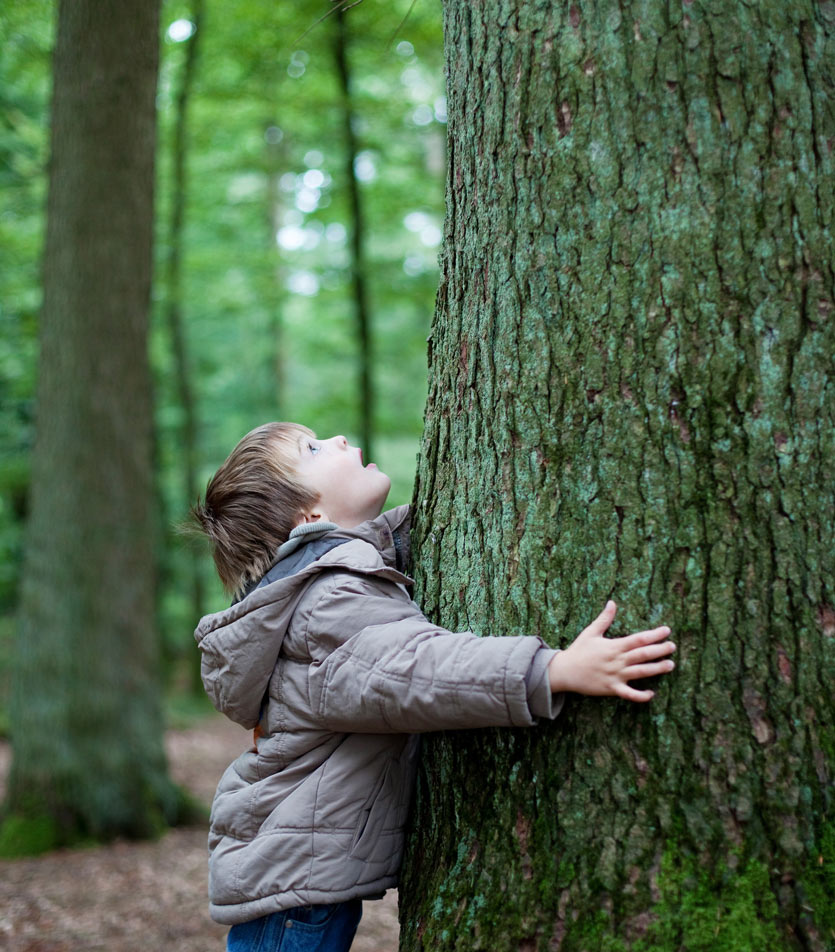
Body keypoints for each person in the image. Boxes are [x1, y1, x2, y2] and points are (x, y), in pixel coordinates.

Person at [192, 422, 676, 952]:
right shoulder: (327, 605)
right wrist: (550, 670)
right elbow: (420, 671)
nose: (336, 440)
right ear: (311, 519)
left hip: (294, 879)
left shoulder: (325, 589)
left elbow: (379, 559)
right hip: (290, 892)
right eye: (312, 449)